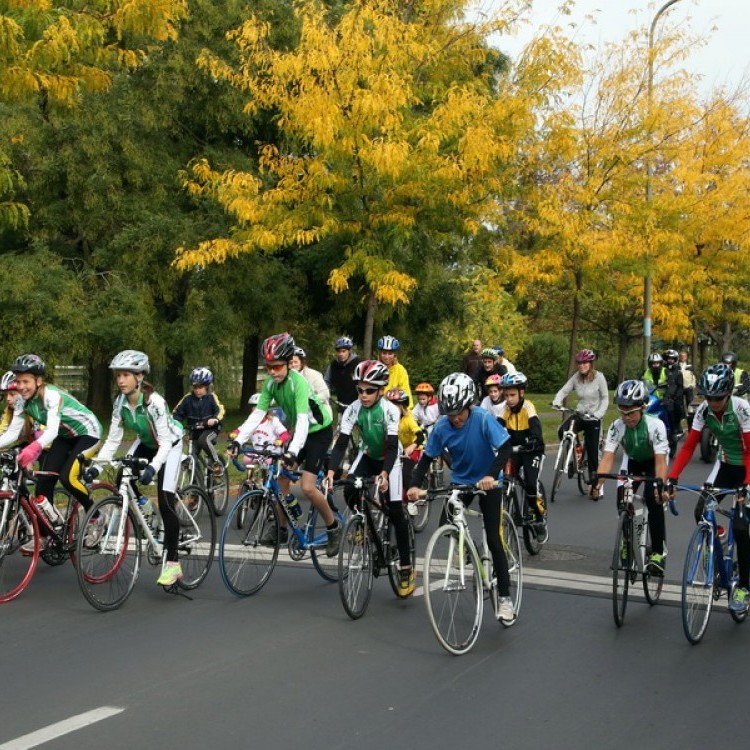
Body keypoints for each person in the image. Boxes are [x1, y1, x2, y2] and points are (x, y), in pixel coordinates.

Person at [406, 372, 516, 623]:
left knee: (493, 536)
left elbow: (505, 447)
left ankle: (505, 598)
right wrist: (413, 485)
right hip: (462, 481)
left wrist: (490, 475)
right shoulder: (443, 426)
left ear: (469, 405)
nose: (455, 418)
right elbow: (426, 458)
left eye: (459, 412)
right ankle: (467, 550)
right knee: (446, 520)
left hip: (488, 482)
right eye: (449, 413)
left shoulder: (482, 418)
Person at [230, 333, 339, 554]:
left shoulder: (298, 383)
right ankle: (281, 530)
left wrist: (292, 451)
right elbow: (257, 414)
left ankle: (332, 527)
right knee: (280, 480)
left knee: (308, 487)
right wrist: (239, 440)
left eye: (277, 367)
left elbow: (301, 421)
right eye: (268, 367)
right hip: (299, 432)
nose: (272, 372)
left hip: (318, 431)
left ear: (289, 363)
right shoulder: (271, 384)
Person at [84, 350, 185, 586]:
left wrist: (152, 469)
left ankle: (173, 564)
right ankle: (144, 507)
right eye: (118, 375)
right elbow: (112, 440)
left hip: (170, 445)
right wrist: (97, 468)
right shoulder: (119, 402)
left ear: (140, 377)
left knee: (167, 502)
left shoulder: (155, 402)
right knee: (122, 477)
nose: (120, 380)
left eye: (126, 375)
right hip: (147, 442)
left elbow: (166, 442)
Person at [665, 363, 750, 612]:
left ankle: (744, 587)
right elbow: (690, 446)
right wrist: (673, 477)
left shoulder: (743, 409)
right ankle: (718, 542)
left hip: (747, 468)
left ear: (728, 394)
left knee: (742, 526)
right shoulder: (703, 410)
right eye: (709, 397)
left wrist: (745, 486)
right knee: (701, 511)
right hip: (725, 466)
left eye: (718, 398)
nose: (713, 402)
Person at [326, 361, 415, 595]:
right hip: (368, 454)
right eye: (360, 390)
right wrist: (331, 472)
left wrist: (385, 473)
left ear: (381, 390)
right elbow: (341, 444)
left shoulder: (390, 410)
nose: (363, 395)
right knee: (349, 488)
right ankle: (364, 525)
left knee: (395, 510)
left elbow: (394, 446)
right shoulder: (353, 409)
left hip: (389, 458)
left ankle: (406, 566)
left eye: (369, 390)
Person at [0, 355, 102, 551]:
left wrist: (33, 448)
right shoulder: (23, 401)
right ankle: (46, 537)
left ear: (39, 381)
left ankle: (96, 516)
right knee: (43, 484)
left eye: (26, 381)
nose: (21, 387)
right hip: (65, 435)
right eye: (18, 381)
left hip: (88, 433)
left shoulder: (51, 396)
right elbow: (13, 432)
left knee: (68, 477)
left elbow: (52, 430)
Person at [591, 380, 669, 575]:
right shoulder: (617, 426)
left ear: (642, 408)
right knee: (622, 500)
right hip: (632, 461)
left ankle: (658, 552)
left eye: (632, 412)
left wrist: (661, 486)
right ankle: (627, 542)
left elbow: (661, 462)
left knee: (653, 499)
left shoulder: (655, 425)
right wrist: (597, 484)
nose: (627, 418)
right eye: (623, 412)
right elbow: (608, 457)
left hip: (653, 463)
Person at [497, 372, 545, 527]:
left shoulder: (528, 407)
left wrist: (533, 440)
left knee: (530, 484)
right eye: (506, 395)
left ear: (521, 392)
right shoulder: (505, 409)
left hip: (532, 450)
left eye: (512, 395)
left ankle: (539, 516)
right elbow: (496, 428)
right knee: (505, 479)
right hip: (514, 450)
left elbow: (536, 430)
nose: (509, 399)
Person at [552, 349, 609, 479]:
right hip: (580, 414)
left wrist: (599, 414)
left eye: (585, 363)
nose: (581, 366)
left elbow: (605, 398)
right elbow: (564, 390)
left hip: (594, 418)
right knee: (562, 430)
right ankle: (575, 455)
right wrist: (556, 401)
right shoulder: (576, 377)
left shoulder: (599, 377)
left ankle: (595, 484)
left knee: (593, 452)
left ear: (591, 364)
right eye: (579, 363)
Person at [172, 366, 226, 477]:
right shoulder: (188, 398)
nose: (198, 390)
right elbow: (177, 413)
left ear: (207, 387)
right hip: (194, 430)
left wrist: (215, 419)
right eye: (195, 387)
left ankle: (216, 463)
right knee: (192, 457)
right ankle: (197, 487)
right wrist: (175, 424)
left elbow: (220, 410)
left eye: (201, 387)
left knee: (204, 440)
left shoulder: (211, 397)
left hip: (210, 429)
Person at [385, 387, 424, 504]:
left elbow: (420, 436)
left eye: (395, 405)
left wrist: (412, 446)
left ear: (402, 406)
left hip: (413, 449)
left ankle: (412, 501)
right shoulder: (388, 418)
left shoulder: (408, 419)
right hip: (397, 449)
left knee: (405, 473)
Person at [323, 336, 361, 412]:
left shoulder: (358, 363)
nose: (341, 354)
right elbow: (326, 382)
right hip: (341, 406)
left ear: (349, 351)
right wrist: (325, 395)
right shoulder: (333, 365)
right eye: (339, 351)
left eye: (344, 351)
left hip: (358, 406)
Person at [378, 335, 413, 408]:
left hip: (395, 408)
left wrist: (406, 409)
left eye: (390, 353)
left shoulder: (400, 370)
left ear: (394, 354)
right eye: (384, 353)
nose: (387, 357)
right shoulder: (375, 367)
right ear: (380, 353)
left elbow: (406, 393)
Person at [661, 349, 685, 438]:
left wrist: (675, 397)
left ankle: (677, 427)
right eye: (668, 358)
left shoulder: (678, 372)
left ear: (675, 360)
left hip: (675, 396)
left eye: (672, 359)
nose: (670, 360)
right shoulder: (663, 370)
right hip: (664, 395)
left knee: (677, 409)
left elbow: (680, 386)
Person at [678, 350, 696, 421]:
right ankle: (682, 416)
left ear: (686, 357)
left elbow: (694, 376)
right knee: (680, 403)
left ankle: (691, 416)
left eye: (684, 356)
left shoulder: (690, 366)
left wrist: (693, 385)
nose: (683, 358)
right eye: (681, 356)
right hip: (680, 387)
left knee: (690, 402)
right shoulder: (677, 366)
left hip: (688, 386)